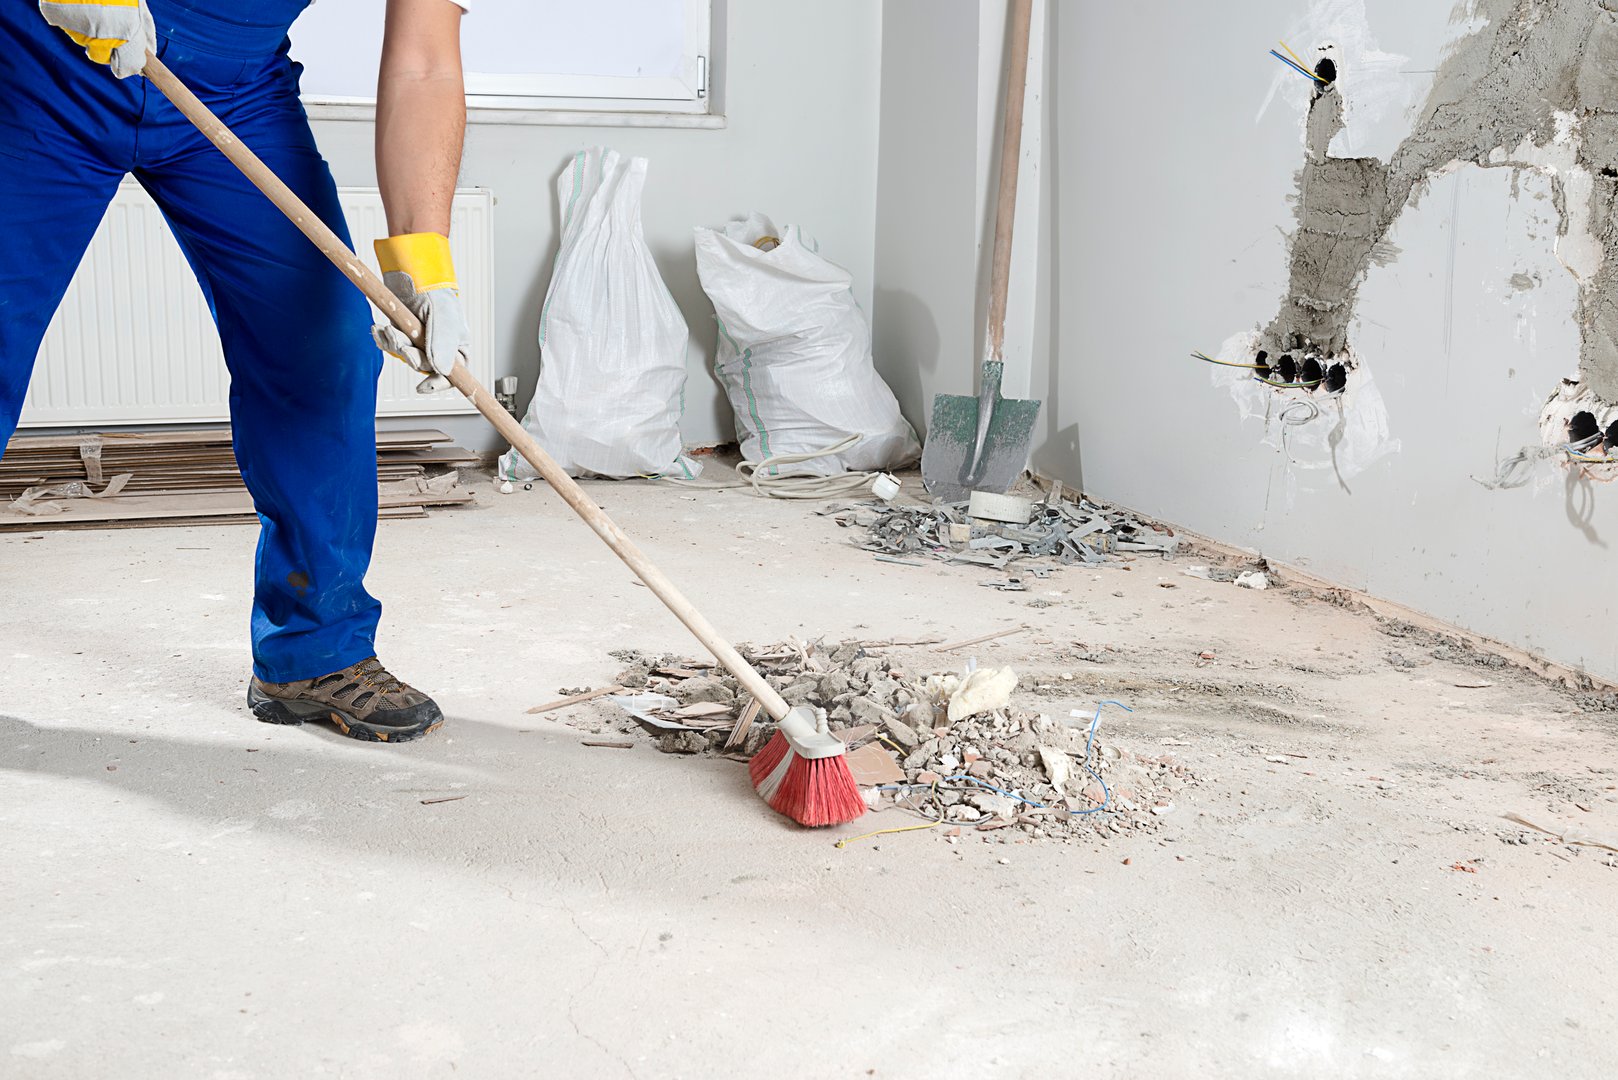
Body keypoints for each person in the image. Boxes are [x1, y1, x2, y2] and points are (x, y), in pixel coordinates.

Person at [1, 0, 473, 743]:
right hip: (44, 61)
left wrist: (426, 264)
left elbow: (425, 61)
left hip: (234, 86)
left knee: (324, 345)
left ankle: (314, 653)